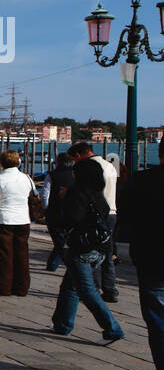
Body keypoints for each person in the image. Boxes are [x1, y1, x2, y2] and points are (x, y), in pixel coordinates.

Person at [51, 159, 124, 341]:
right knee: (70, 285)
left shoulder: (76, 194)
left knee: (87, 290)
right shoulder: (98, 195)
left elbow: (72, 219)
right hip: (99, 248)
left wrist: (64, 199)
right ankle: (62, 323)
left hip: (82, 248)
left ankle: (113, 327)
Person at [118, 161, 164, 370]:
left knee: (158, 321)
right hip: (151, 257)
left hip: (152, 258)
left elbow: (124, 217)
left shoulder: (141, 181)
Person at [70, 142, 119, 300]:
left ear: (79, 155)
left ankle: (94, 288)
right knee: (108, 252)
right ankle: (110, 289)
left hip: (98, 212)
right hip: (112, 210)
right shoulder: (109, 165)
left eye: (74, 160)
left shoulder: (91, 166)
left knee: (93, 251)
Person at [0, 150, 35, 296]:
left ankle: (3, 287)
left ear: (2, 163)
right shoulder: (27, 178)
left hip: (3, 220)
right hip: (23, 220)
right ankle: (21, 287)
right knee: (22, 255)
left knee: (3, 255)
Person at [43, 152, 76, 271]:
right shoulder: (75, 175)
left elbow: (45, 194)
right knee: (62, 241)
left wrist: (46, 208)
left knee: (59, 241)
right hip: (71, 211)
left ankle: (60, 264)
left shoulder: (51, 175)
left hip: (54, 212)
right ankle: (53, 264)